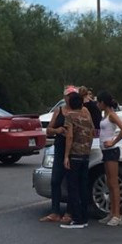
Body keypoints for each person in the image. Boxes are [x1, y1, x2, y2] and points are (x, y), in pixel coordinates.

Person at [40, 85, 78, 223]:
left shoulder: (80, 111)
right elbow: (49, 130)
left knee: (71, 181)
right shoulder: (59, 111)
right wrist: (58, 130)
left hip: (74, 149)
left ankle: (69, 211)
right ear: (65, 98)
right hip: (60, 147)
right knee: (55, 179)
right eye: (68, 96)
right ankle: (55, 211)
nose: (70, 99)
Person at [61, 91, 95, 229]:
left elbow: (69, 137)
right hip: (85, 154)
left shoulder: (69, 117)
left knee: (73, 187)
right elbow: (92, 133)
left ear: (70, 103)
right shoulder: (87, 117)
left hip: (74, 154)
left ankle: (77, 218)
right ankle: (84, 216)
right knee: (83, 186)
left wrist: (66, 156)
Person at [96, 92, 122, 227]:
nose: (97, 105)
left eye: (99, 102)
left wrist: (113, 141)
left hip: (111, 152)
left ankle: (117, 215)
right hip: (105, 152)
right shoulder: (105, 115)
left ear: (103, 103)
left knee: (114, 183)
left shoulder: (112, 115)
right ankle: (111, 212)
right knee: (109, 183)